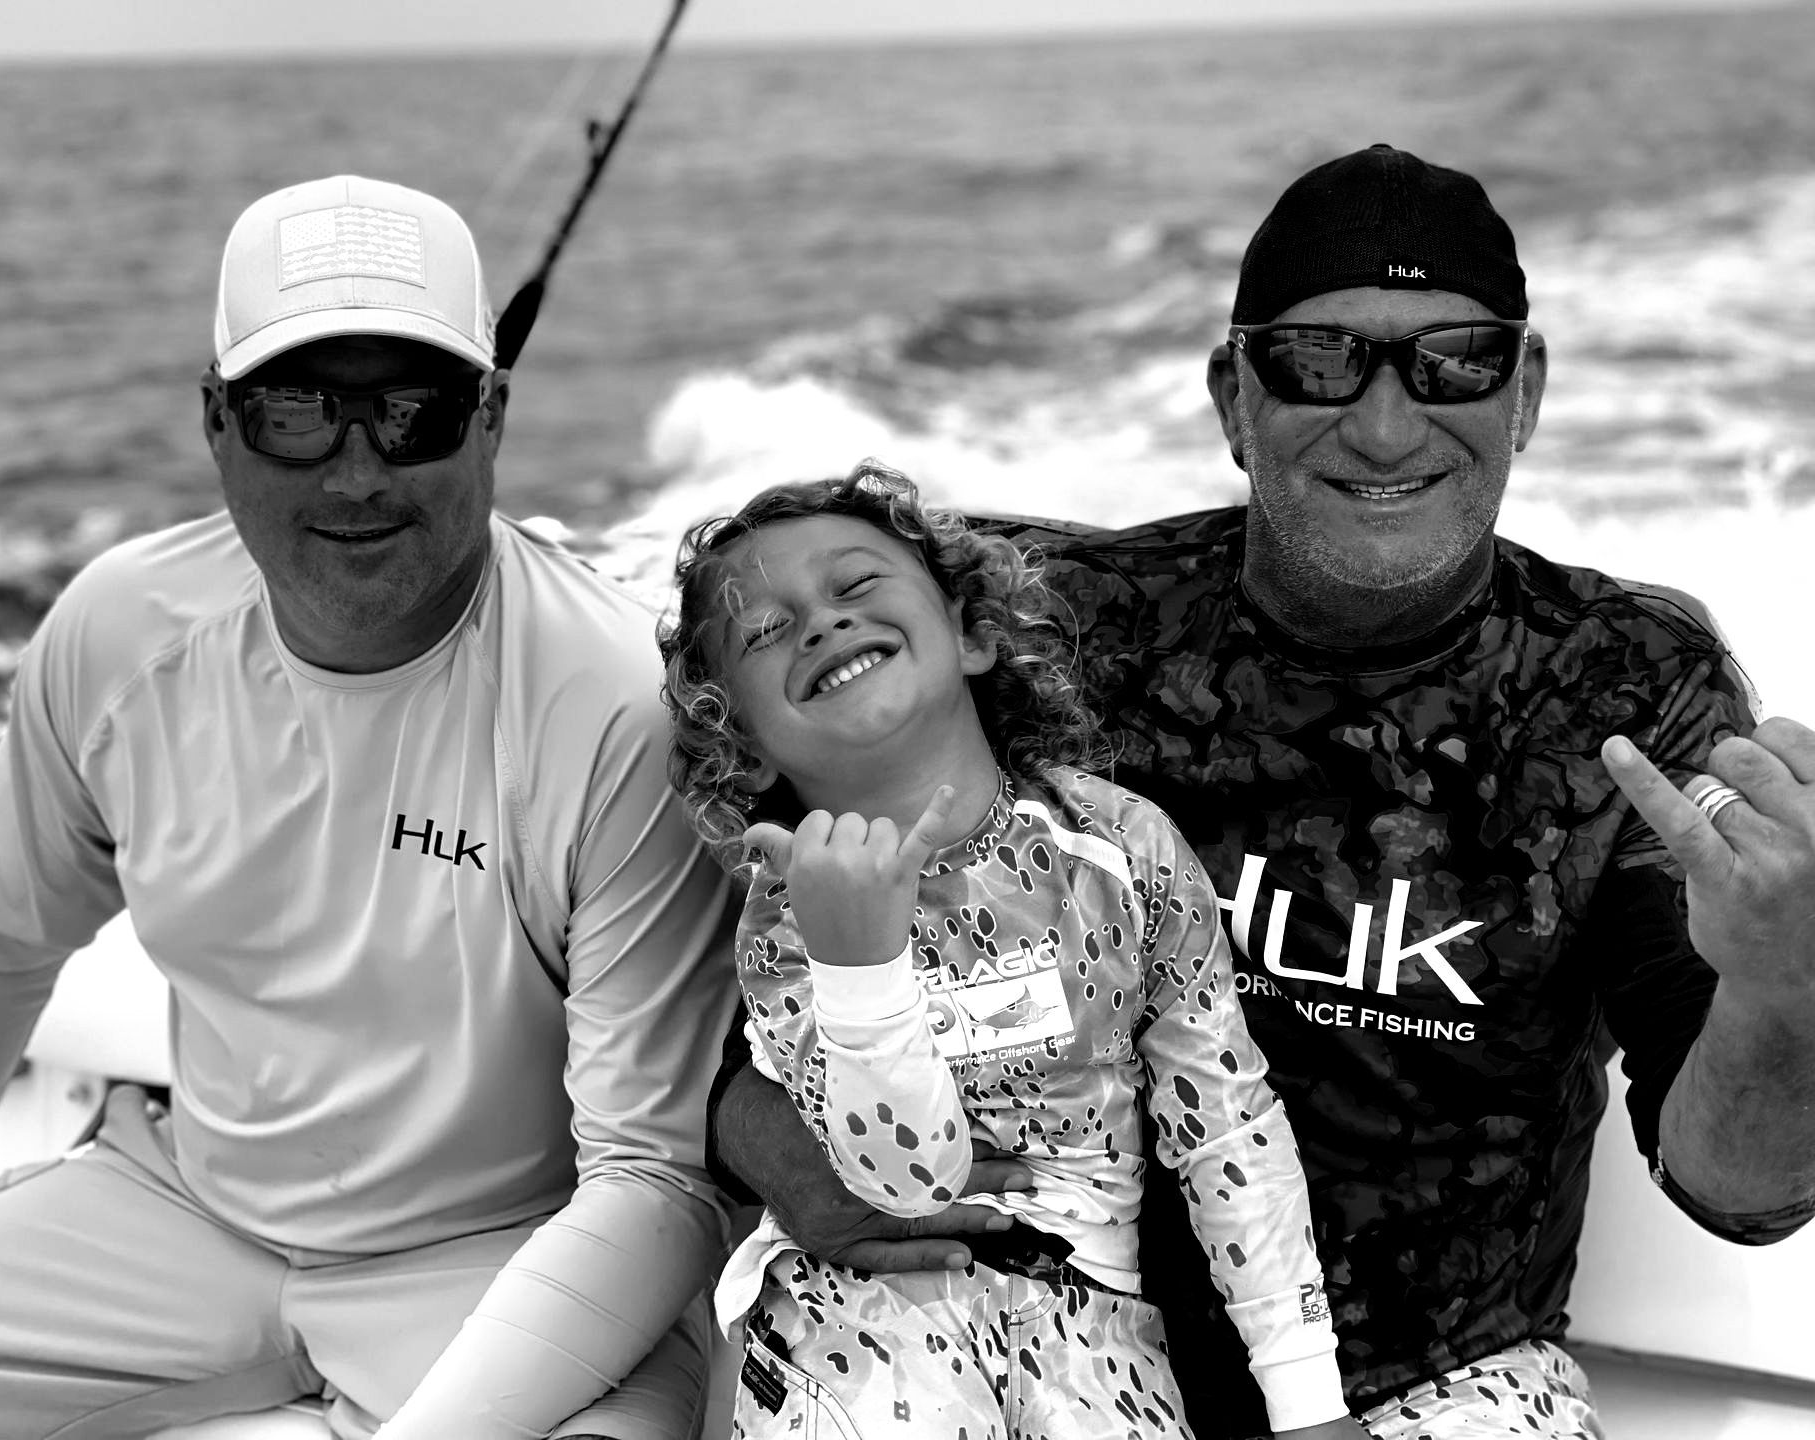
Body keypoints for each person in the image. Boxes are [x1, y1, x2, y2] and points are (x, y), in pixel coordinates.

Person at [705, 145, 1815, 1438]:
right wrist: (791, 1161)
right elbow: (765, 1025)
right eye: (1317, 362)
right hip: (1058, 1335)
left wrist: (1785, 989)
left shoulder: (1627, 687)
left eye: (1455, 360)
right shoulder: (1067, 628)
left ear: (1525, 393)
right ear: (1236, 398)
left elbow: (1742, 1193)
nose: (1386, 425)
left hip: (1445, 1380)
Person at [0, 175, 737, 1439]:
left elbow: (651, 1183)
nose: (356, 473)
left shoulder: (618, 704)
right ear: (216, 423)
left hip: (505, 1258)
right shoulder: (117, 632)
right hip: (180, 1211)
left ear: (493, 418)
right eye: (295, 413)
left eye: (414, 413)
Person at [658, 463, 1362, 1439]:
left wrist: (1307, 1401)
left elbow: (1226, 1127)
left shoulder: (1123, 847)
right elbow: (904, 1186)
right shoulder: (791, 913)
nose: (820, 623)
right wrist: (861, 968)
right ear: (744, 742)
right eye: (767, 633)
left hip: (1094, 1318)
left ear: (973, 633)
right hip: (859, 1317)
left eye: (855, 584)